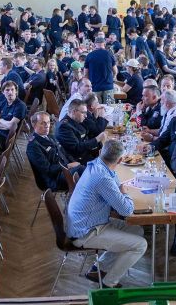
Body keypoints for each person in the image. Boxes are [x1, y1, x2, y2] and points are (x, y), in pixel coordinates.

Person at [65, 140, 147, 288]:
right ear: (120, 160)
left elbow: (115, 185)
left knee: (137, 230)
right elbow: (126, 210)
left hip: (89, 222)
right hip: (85, 232)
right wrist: (124, 194)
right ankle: (110, 282)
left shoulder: (96, 165)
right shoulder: (102, 177)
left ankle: (98, 269)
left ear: (100, 152)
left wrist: (120, 192)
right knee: (140, 245)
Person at [26, 111, 79, 192]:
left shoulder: (50, 136)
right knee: (84, 172)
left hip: (64, 170)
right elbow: (47, 170)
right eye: (43, 123)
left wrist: (74, 162)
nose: (47, 125)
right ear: (34, 125)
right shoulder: (33, 146)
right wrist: (68, 166)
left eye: (48, 122)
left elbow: (64, 153)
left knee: (85, 168)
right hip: (53, 179)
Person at [56, 99, 107, 164]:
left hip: (87, 153)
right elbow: (77, 148)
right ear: (74, 112)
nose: (86, 116)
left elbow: (91, 131)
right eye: (83, 113)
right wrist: (97, 139)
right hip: (78, 160)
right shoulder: (64, 127)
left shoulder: (75, 119)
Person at [85, 36, 117, 104]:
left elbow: (85, 74)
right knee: (109, 109)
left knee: (96, 109)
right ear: (104, 44)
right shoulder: (109, 54)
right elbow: (115, 71)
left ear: (94, 44)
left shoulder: (89, 55)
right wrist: (113, 77)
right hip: (108, 87)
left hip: (95, 87)